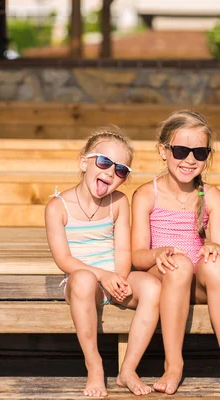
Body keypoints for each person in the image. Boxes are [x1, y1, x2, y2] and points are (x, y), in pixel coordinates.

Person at [131, 110, 220, 395]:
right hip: (167, 278)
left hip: (197, 285)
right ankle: (173, 363)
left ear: (207, 156)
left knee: (217, 265)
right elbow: (137, 256)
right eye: (180, 150)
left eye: (199, 153)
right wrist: (158, 254)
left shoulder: (211, 195)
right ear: (163, 151)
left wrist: (217, 247)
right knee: (179, 266)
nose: (189, 160)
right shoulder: (146, 194)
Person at [45, 126, 161, 397]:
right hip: (82, 282)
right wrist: (102, 276)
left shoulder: (118, 202)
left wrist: (118, 276)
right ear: (83, 162)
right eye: (104, 162)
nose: (110, 172)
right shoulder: (57, 207)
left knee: (154, 287)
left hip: (115, 277)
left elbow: (122, 251)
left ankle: (128, 369)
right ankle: (94, 364)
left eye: (121, 170)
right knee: (84, 280)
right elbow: (64, 260)